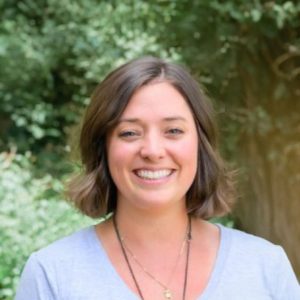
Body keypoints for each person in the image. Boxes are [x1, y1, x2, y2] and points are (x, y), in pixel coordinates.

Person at [15, 57, 299, 300]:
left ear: (201, 144)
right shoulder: (51, 275)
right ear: (103, 148)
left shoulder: (266, 267)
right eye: (129, 132)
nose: (152, 151)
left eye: (173, 130)